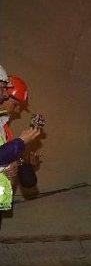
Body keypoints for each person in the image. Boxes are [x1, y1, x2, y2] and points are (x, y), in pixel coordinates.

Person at [0, 75, 42, 213]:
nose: (17, 111)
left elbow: (28, 182)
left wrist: (24, 163)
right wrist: (20, 142)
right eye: (16, 105)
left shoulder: (5, 130)